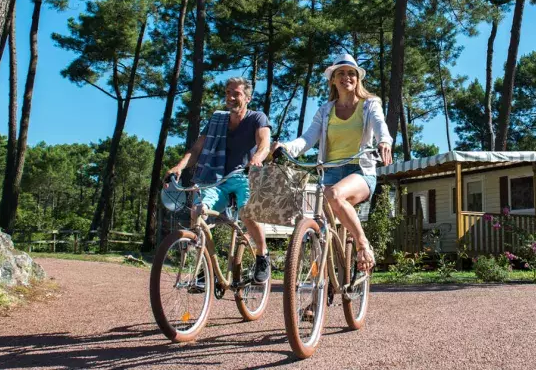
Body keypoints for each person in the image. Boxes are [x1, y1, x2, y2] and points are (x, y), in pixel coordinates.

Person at [274, 53, 393, 272]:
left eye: (351, 73)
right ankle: (321, 282)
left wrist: (384, 141)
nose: (346, 77)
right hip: (330, 172)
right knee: (320, 228)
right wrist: (286, 147)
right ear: (333, 80)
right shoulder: (325, 110)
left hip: (360, 171)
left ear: (358, 78)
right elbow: (308, 139)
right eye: (341, 73)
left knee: (335, 195)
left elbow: (380, 125)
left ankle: (363, 244)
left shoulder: (369, 105)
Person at [166, 77, 273, 284]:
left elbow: (264, 144)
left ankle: (262, 255)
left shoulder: (257, 118)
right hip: (215, 178)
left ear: (248, 98)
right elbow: (197, 149)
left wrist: (256, 159)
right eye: (227, 93)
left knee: (247, 212)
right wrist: (179, 167)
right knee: (198, 211)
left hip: (243, 175)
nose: (230, 97)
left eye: (236, 93)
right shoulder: (217, 120)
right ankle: (205, 267)